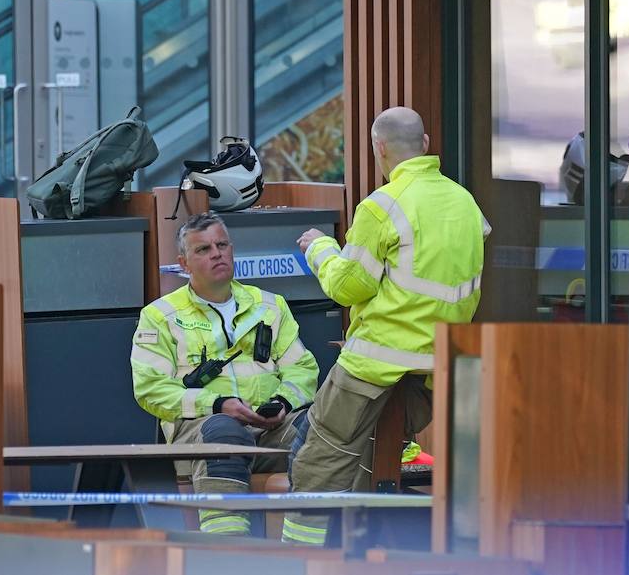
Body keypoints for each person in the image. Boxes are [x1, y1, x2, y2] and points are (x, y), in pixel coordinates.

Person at [285, 106, 487, 546]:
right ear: (426, 145)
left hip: (374, 365)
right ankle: (363, 556)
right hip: (437, 369)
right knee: (376, 463)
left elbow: (347, 286)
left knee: (317, 462)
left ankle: (297, 560)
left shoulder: (382, 206)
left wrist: (318, 247)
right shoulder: (465, 202)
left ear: (379, 149)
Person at [131, 212, 319, 535]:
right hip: (204, 432)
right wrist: (217, 404)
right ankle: (228, 555)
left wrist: (283, 403)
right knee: (224, 430)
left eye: (222, 245)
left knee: (318, 425)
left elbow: (303, 369)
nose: (216, 253)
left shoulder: (271, 306)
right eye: (203, 250)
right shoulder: (159, 316)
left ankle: (312, 545)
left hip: (271, 430)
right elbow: (150, 388)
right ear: (184, 263)